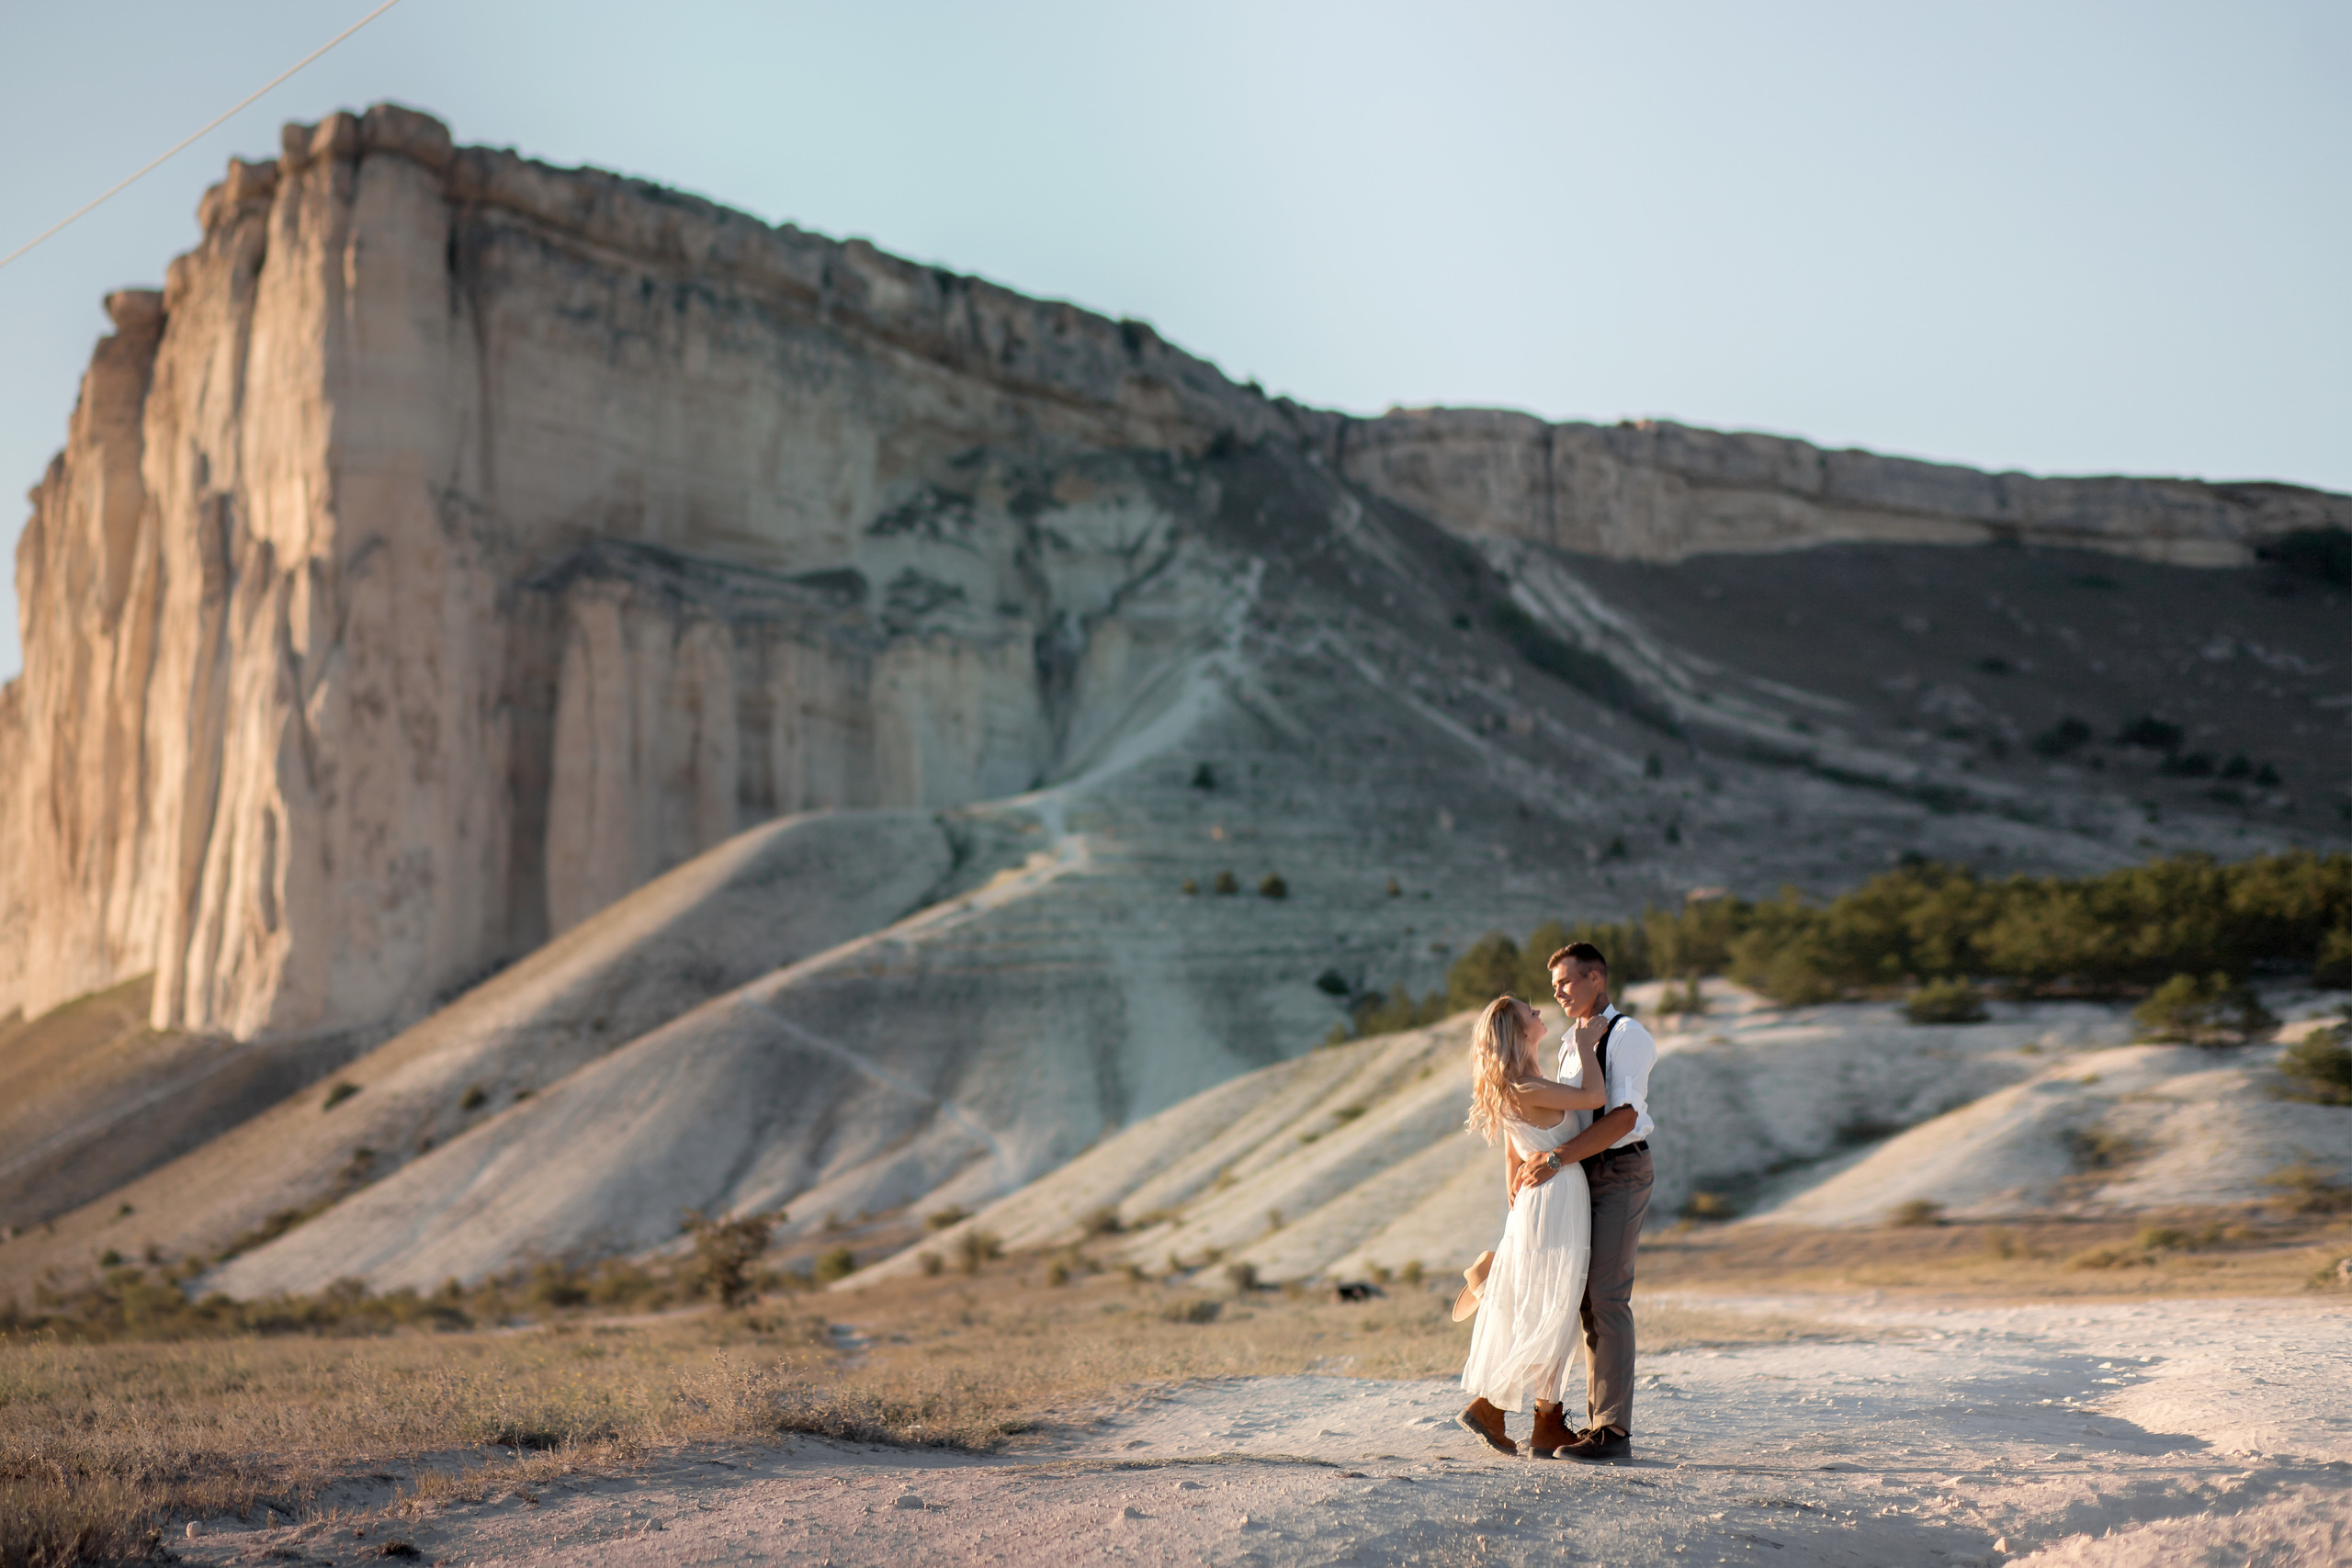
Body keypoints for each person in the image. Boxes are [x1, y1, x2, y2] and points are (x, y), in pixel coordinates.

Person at [1510, 941, 1657, 1461]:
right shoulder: (1571, 1042)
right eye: (1553, 986)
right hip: (1577, 1174)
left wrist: (1555, 1160)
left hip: (1618, 1169)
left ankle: (1612, 1431)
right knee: (1574, 1296)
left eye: (1567, 982)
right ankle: (1560, 1421)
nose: (1558, 992)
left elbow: (1621, 1118)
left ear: (1597, 977)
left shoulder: (1628, 1035)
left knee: (1607, 1297)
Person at [1455, 995, 1608, 1456]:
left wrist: (1515, 1199)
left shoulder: (1519, 1085)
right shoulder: (1526, 1087)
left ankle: (1546, 1422)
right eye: (1531, 1014)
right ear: (1520, 1033)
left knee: (1552, 1307)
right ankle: (1489, 1405)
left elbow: (1510, 1152)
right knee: (1552, 1309)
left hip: (1545, 1199)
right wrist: (1585, 1046)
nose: (1540, 1014)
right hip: (1556, 1197)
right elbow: (1596, 1099)